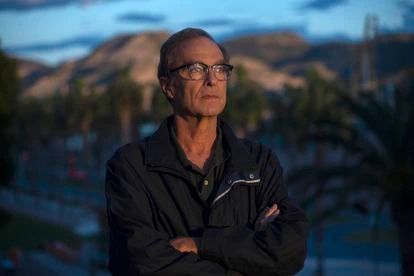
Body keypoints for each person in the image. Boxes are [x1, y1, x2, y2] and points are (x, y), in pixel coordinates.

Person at [105, 28, 309, 276]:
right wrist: (249, 258)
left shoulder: (259, 162)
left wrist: (200, 244)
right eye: (196, 69)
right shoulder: (131, 167)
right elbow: (143, 265)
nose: (212, 80)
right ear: (168, 87)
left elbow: (289, 251)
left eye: (220, 69)